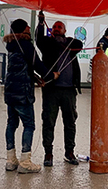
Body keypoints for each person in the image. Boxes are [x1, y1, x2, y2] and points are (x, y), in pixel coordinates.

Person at [3, 18, 59, 174]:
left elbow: (20, 67)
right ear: (23, 29)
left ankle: (10, 159)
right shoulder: (26, 45)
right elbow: (37, 64)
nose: (29, 27)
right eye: (27, 26)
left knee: (11, 124)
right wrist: (50, 76)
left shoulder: (12, 46)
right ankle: (25, 161)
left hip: (10, 91)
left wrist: (35, 78)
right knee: (29, 125)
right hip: (22, 93)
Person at [36, 11, 83, 166]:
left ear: (64, 31)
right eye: (54, 27)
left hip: (69, 90)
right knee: (49, 122)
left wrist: (62, 41)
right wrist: (41, 24)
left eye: (59, 27)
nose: (56, 28)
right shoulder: (47, 44)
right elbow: (39, 39)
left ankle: (69, 152)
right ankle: (48, 153)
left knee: (70, 122)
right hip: (51, 89)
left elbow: (79, 45)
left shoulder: (70, 44)